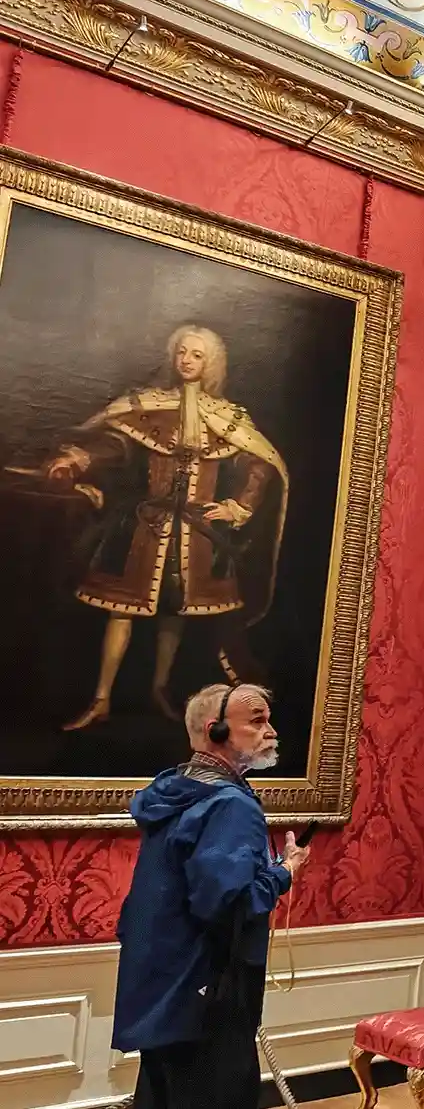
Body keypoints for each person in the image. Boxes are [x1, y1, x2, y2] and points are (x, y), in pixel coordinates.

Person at [42, 325, 288, 730]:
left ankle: (159, 689)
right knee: (120, 611)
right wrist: (77, 461)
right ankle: (101, 698)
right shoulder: (150, 405)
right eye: (182, 353)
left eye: (197, 355)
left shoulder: (230, 417)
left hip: (196, 534)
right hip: (143, 528)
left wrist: (237, 507)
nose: (187, 361)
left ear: (211, 364)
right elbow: (116, 443)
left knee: (173, 613)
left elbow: (256, 465)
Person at [112, 682, 309, 1109]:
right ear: (215, 729)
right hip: (209, 987)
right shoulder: (231, 805)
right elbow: (228, 902)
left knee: (164, 1093)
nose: (271, 730)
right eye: (256, 720)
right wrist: (284, 871)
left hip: (163, 982)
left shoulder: (172, 789)